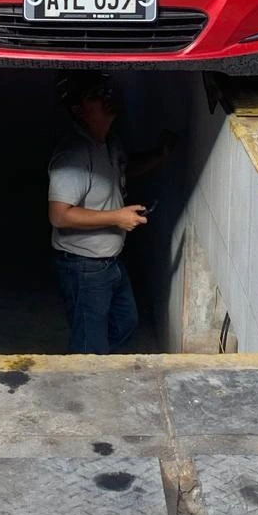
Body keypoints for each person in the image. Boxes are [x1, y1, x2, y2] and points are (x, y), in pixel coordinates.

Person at [48, 72, 175, 354]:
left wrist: (160, 155)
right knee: (89, 344)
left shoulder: (108, 143)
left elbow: (123, 169)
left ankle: (96, 364)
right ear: (78, 110)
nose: (106, 99)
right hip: (84, 266)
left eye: (104, 92)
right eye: (95, 96)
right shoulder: (74, 156)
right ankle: (83, 390)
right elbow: (59, 215)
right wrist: (117, 217)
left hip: (110, 262)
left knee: (125, 322)